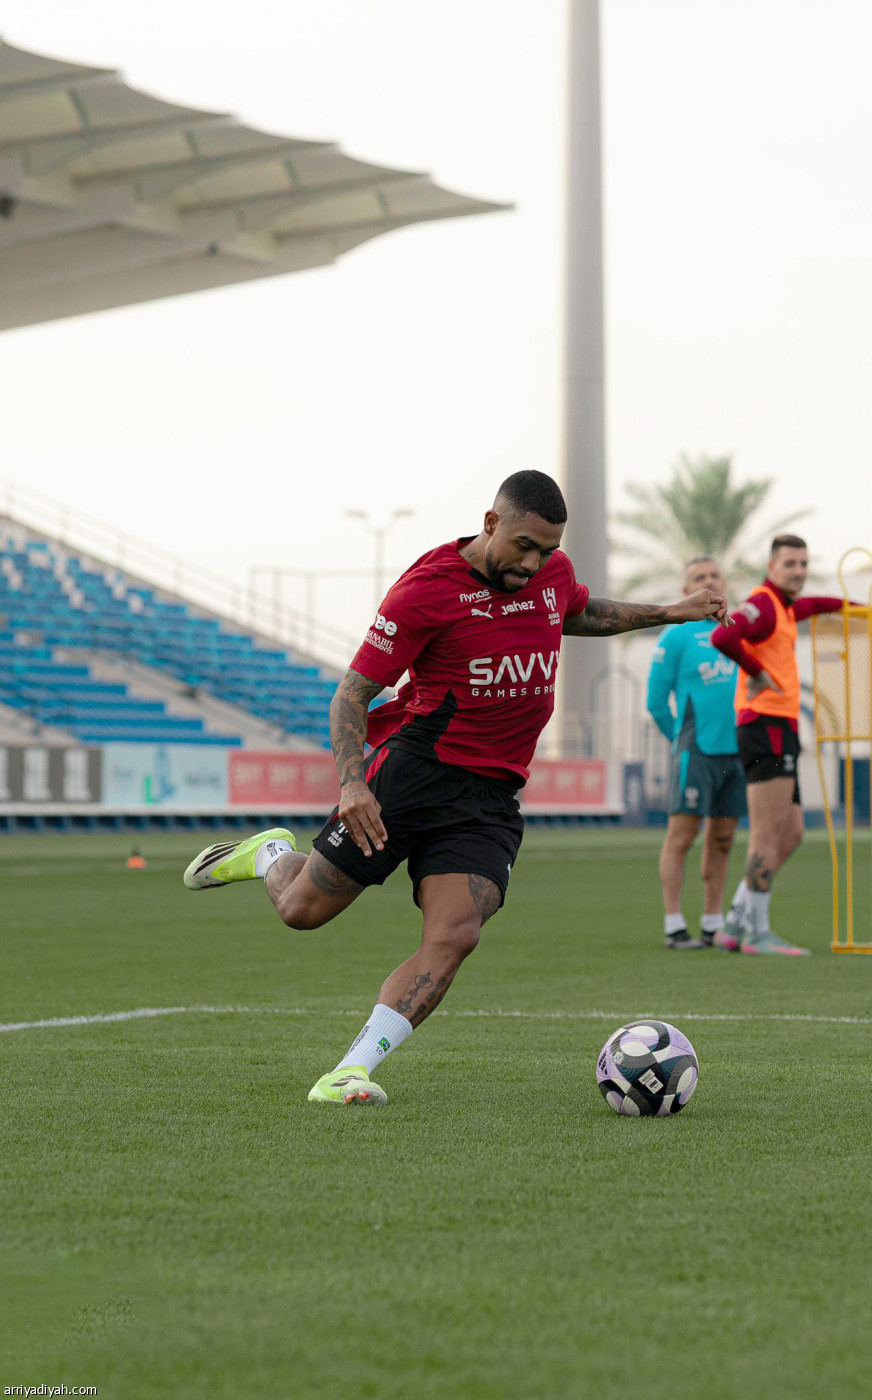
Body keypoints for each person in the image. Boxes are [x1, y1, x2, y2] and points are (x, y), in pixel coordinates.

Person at [184, 471, 727, 1106]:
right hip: (410, 777)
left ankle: (350, 1072)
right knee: (302, 911)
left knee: (457, 933)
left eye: (547, 549)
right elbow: (352, 694)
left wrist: (669, 612)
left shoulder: (550, 574)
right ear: (491, 523)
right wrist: (353, 784)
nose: (534, 563)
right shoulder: (425, 590)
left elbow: (577, 611)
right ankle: (273, 855)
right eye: (524, 545)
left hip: (490, 795)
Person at [710, 534, 848, 955]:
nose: (799, 571)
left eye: (804, 564)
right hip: (764, 723)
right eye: (790, 564)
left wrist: (861, 611)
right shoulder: (765, 602)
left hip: (781, 726)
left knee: (792, 832)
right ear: (771, 568)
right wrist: (757, 671)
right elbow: (723, 637)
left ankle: (735, 921)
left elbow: (813, 605)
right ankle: (757, 932)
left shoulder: (785, 607)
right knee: (768, 834)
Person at [646, 556, 745, 950]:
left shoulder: (740, 630)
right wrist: (679, 743)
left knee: (722, 840)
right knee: (682, 838)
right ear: (687, 589)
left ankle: (712, 923)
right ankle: (674, 925)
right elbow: (656, 702)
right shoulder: (675, 636)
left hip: (736, 752)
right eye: (699, 578)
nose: (709, 581)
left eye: (714, 575)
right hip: (695, 753)